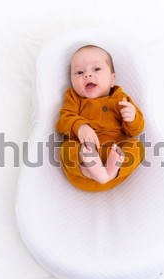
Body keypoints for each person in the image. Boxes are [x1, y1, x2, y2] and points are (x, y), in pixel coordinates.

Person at [56, 45, 145, 192]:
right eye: (79, 72)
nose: (87, 75)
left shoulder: (120, 98)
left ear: (112, 79)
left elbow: (134, 131)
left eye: (96, 69)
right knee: (66, 149)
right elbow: (63, 122)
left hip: (114, 156)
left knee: (138, 147)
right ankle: (94, 172)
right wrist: (80, 127)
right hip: (84, 162)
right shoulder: (74, 98)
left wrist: (132, 117)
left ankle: (110, 172)